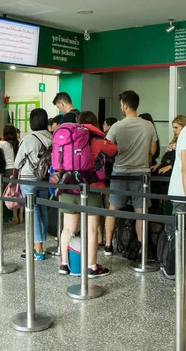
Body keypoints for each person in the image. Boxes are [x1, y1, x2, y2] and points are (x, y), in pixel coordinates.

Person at [58, 111, 117, 277]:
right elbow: (113, 150)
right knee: (91, 229)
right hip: (92, 188)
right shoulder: (98, 139)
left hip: (69, 185)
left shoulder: (70, 137)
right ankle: (91, 266)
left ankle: (64, 264)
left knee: (68, 228)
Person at [103, 91, 158, 255]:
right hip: (141, 175)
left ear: (125, 106)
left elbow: (108, 148)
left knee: (113, 209)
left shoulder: (117, 126)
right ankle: (141, 248)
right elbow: (153, 150)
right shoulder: (148, 125)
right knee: (140, 212)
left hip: (119, 173)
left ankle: (108, 246)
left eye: (121, 105)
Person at [14, 108, 53, 260]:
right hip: (45, 178)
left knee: (33, 212)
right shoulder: (52, 137)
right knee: (42, 210)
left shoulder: (28, 139)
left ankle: (38, 249)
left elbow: (17, 163)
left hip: (28, 179)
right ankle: (40, 245)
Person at [151, 115, 186, 195]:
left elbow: (184, 160)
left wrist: (171, 166)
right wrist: (160, 164)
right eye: (173, 127)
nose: (173, 130)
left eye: (176, 127)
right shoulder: (175, 141)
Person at [0, 125, 22, 224]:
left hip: (9, 170)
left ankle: (15, 217)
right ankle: (20, 216)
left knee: (12, 193)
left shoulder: (2, 143)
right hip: (19, 169)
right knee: (20, 193)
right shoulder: (19, 143)